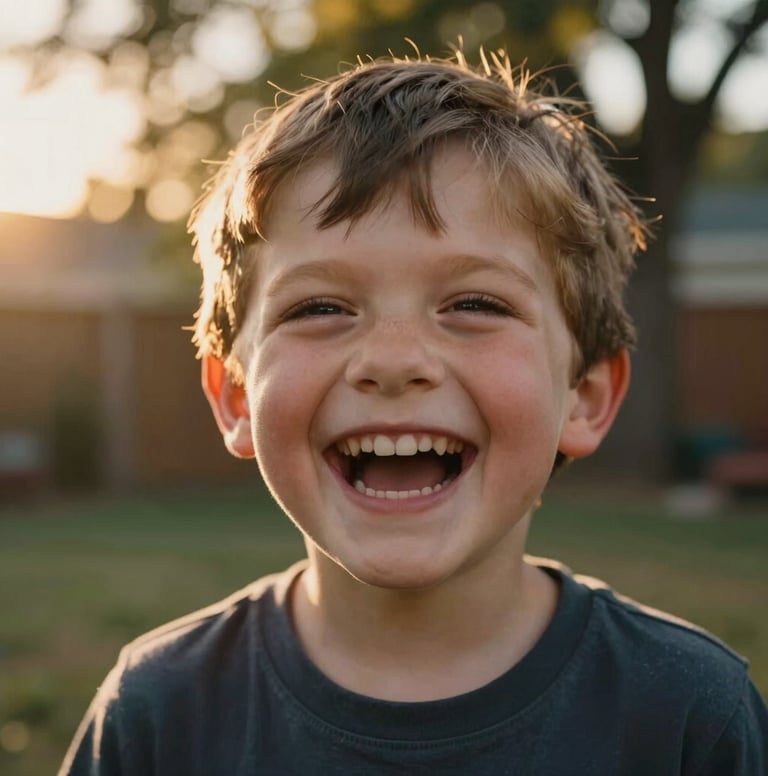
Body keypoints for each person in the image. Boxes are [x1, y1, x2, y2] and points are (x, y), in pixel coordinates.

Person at [59, 51, 768, 775]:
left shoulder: (689, 715)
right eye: (320, 308)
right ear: (237, 397)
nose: (394, 360)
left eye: (474, 304)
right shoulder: (156, 713)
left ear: (582, 397)